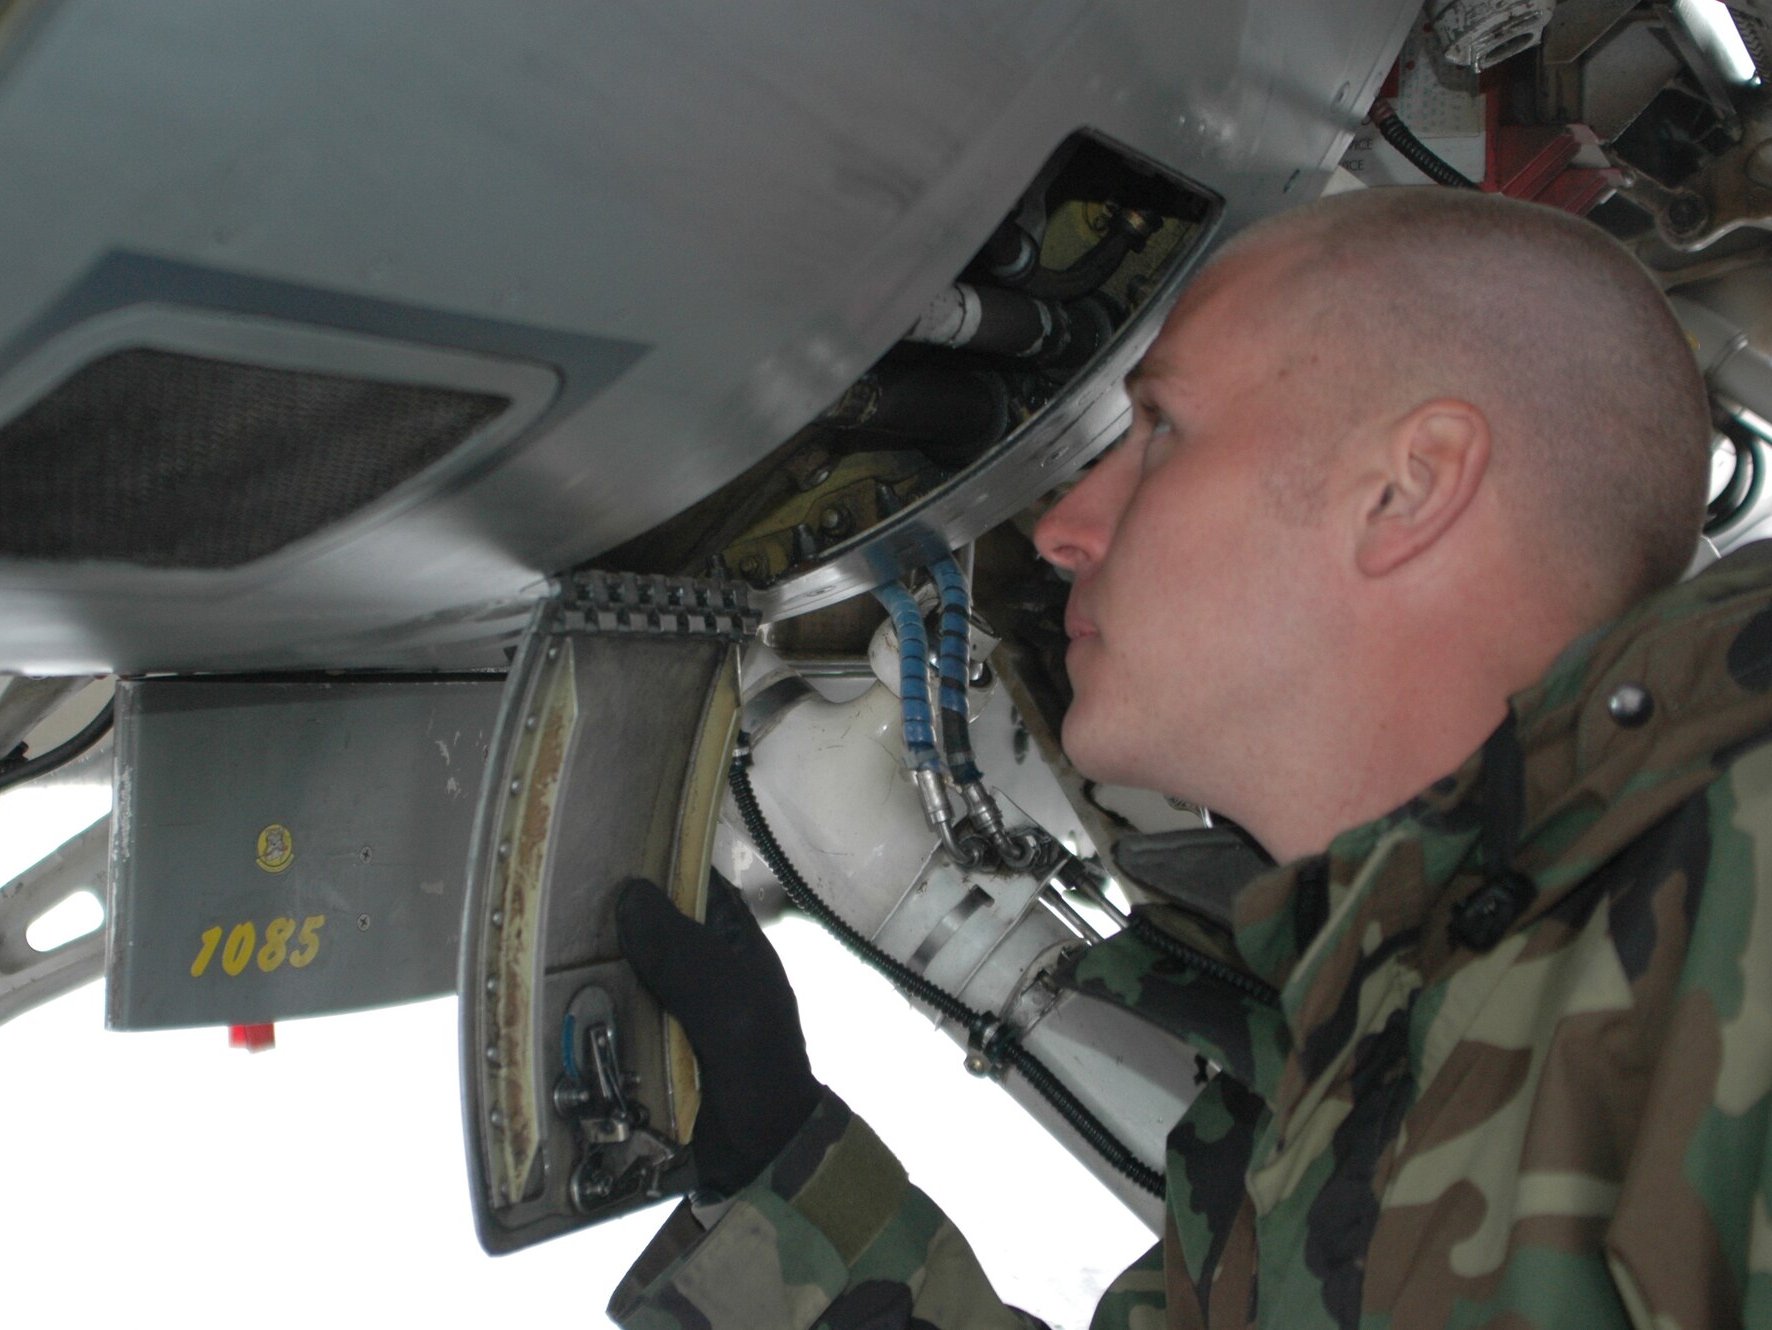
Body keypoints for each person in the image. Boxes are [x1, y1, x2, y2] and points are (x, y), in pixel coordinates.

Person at [607, 186, 1772, 1328]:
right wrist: (776, 1169)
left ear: (1406, 487)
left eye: (1159, 432)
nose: (1062, 531)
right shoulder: (1309, 1120)